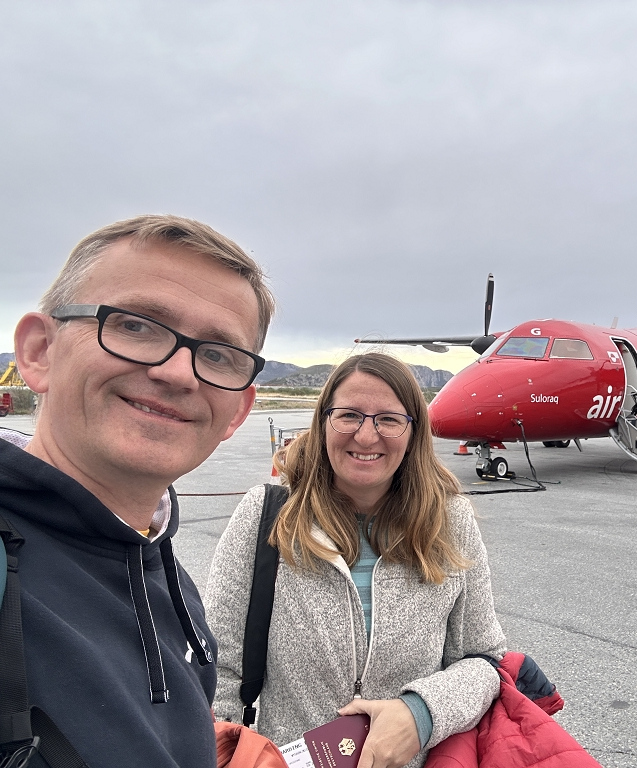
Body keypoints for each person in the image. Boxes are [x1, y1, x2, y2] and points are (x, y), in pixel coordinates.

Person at [1, 215, 275, 767]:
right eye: (135, 325)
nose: (179, 373)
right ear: (39, 351)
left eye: (218, 355)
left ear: (236, 413)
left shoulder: (168, 580)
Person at [205, 353, 506, 768]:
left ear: (413, 432)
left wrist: (421, 713)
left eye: (388, 419)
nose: (366, 437)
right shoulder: (266, 515)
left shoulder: (450, 521)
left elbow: (485, 659)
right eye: (349, 415)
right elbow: (217, 667)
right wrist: (225, 755)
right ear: (323, 423)